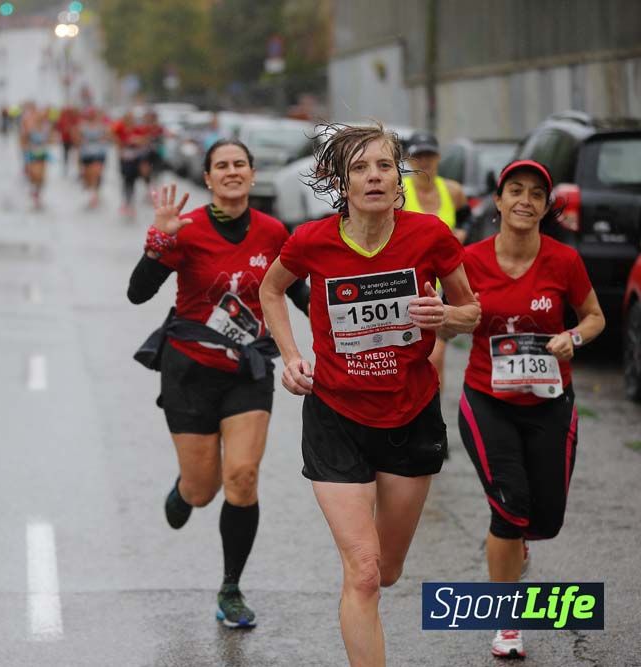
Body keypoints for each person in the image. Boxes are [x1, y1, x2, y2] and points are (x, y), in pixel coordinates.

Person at [259, 123, 481, 666]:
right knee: (362, 571)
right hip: (336, 416)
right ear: (341, 182)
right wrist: (290, 355)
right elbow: (270, 288)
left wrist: (445, 315)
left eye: (384, 166)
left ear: (398, 178)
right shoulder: (311, 241)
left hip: (410, 414)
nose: (374, 177)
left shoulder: (430, 235)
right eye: (360, 168)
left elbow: (471, 312)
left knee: (387, 569)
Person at [127, 140, 310, 629]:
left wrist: (341, 322)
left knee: (243, 477)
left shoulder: (273, 232)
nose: (232, 171)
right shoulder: (186, 229)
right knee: (203, 490)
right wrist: (158, 244)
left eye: (240, 164)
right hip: (189, 370)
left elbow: (297, 291)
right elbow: (137, 293)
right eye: (222, 166)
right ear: (208, 178)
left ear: (252, 173)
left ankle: (231, 588)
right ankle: (185, 490)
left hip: (247, 371)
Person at [455, 159, 604, 660]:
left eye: (536, 194)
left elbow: (595, 317)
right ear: (497, 202)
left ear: (545, 207)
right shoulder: (469, 261)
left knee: (546, 519)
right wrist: (457, 316)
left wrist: (573, 337)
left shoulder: (564, 260)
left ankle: (518, 540)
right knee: (509, 506)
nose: (525, 200)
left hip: (550, 403)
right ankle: (507, 621)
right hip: (487, 399)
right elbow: (444, 321)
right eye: (515, 190)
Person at [402, 132, 471, 410]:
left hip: (443, 284)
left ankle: (432, 415)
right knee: (408, 356)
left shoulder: (452, 191)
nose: (425, 162)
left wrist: (461, 233)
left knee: (435, 355)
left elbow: (467, 218)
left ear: (438, 157)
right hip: (409, 284)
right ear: (409, 159)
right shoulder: (399, 190)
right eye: (419, 156)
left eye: (429, 155)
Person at [112, 112, 146, 218]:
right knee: (126, 180)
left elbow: (143, 141)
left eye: (131, 119)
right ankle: (126, 202)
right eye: (127, 119)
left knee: (132, 181)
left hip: (135, 158)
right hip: (124, 158)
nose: (129, 121)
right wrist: (121, 146)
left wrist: (136, 140)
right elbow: (115, 140)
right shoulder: (120, 129)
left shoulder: (137, 129)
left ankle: (131, 203)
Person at [75, 107, 109, 209]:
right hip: (86, 154)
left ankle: (94, 194)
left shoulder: (101, 125)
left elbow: (107, 136)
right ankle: (92, 190)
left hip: (99, 153)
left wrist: (103, 138)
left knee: (96, 172)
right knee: (89, 175)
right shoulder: (82, 126)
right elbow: (78, 139)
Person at [20, 104, 51, 210]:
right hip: (32, 153)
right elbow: (23, 140)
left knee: (42, 177)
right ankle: (35, 193)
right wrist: (25, 150)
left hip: (42, 154)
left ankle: (37, 194)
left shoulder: (46, 128)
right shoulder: (30, 128)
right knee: (34, 174)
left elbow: (50, 139)